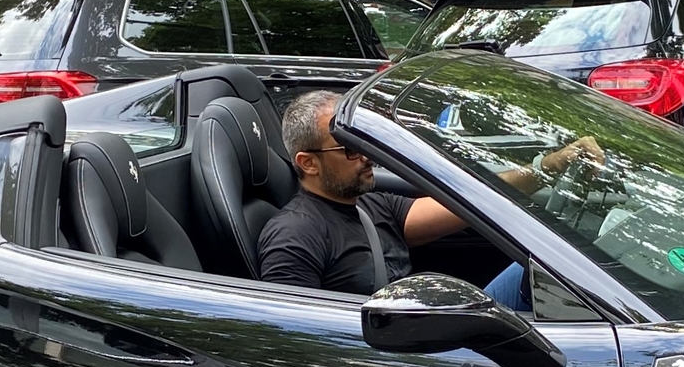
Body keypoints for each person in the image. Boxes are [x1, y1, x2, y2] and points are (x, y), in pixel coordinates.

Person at [254, 89, 601, 306]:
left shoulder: (369, 205)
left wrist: (553, 163)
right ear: (308, 163)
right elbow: (298, 338)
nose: (366, 155)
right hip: (401, 364)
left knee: (547, 269)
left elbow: (472, 201)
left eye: (364, 141)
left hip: (426, 326)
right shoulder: (294, 237)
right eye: (350, 148)